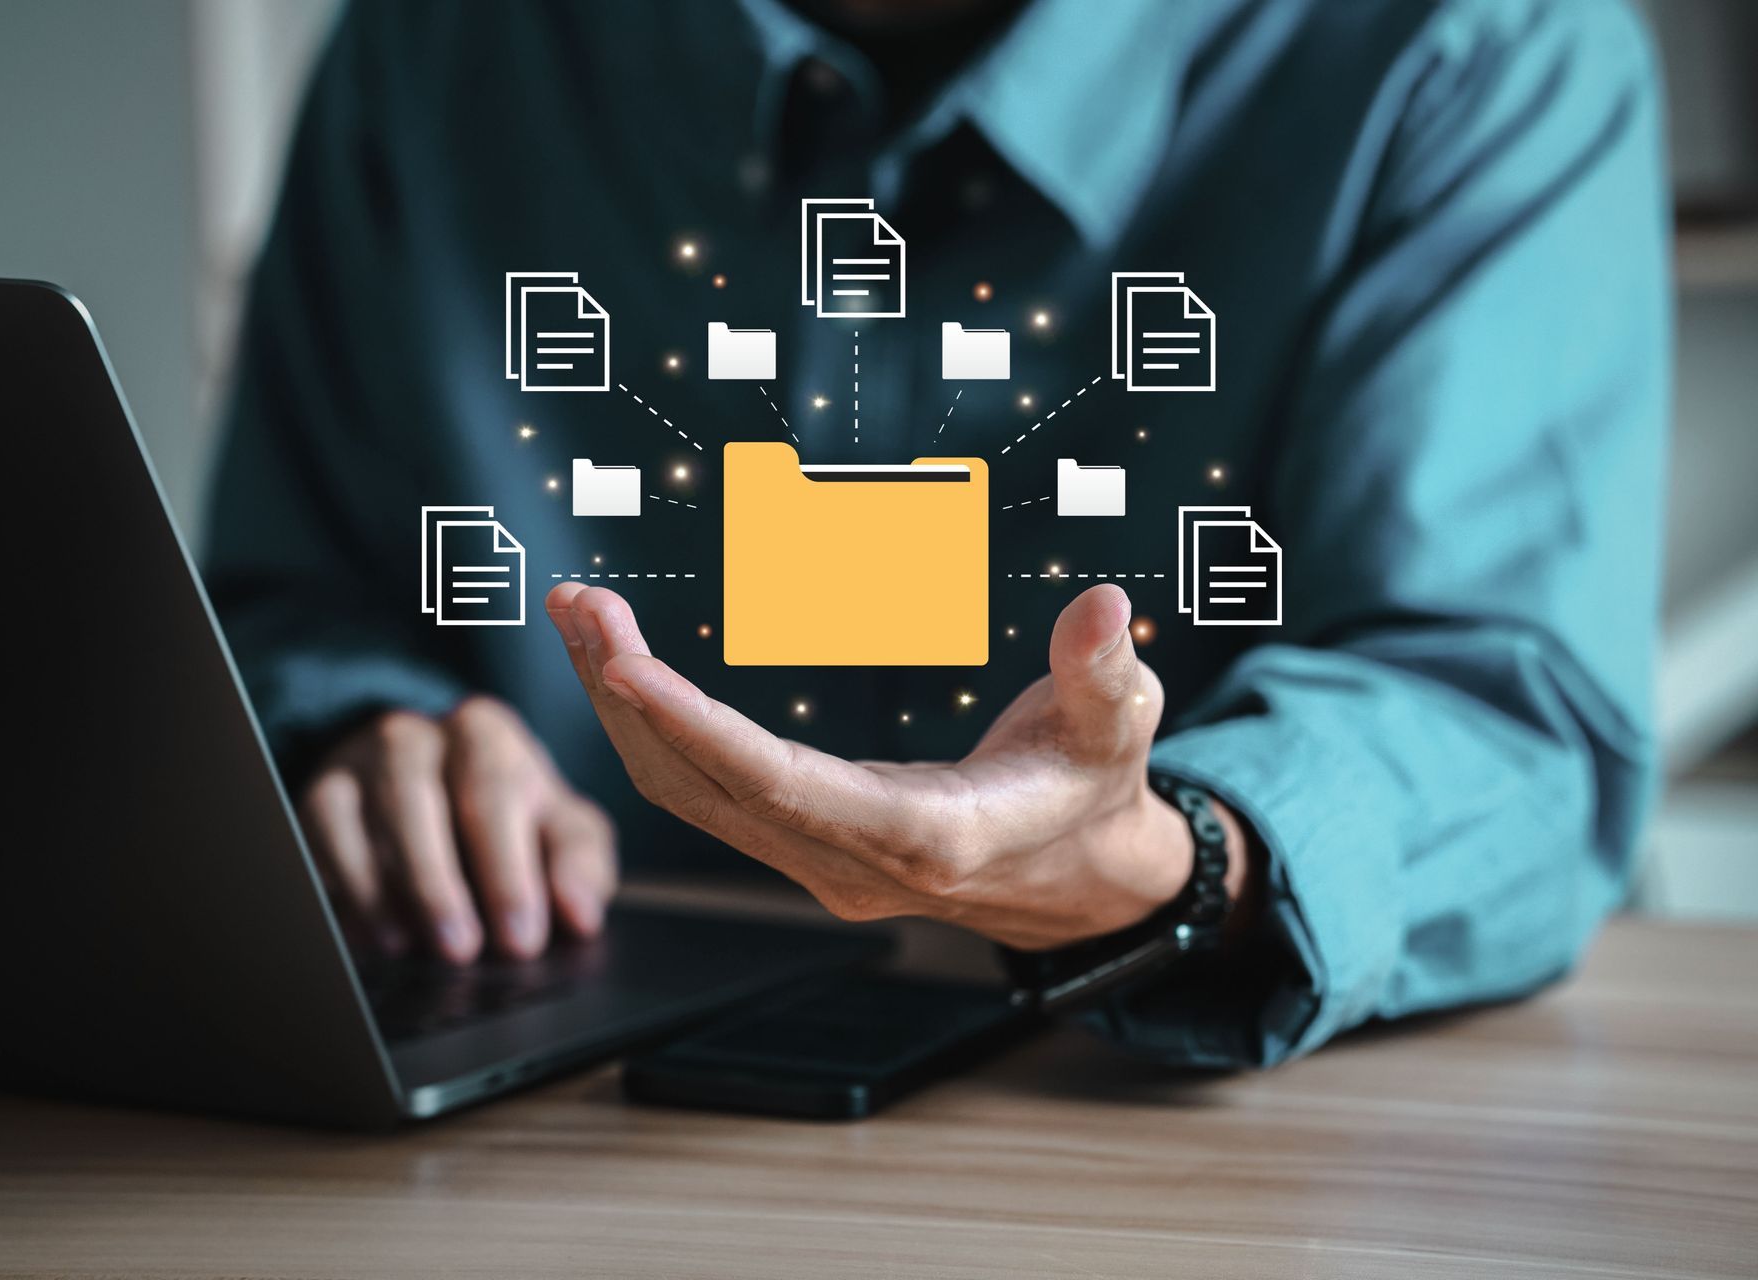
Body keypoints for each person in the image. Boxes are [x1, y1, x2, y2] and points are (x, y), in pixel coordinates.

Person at [205, 0, 1668, 1066]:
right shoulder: (434, 45)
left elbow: (1508, 727)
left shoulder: (1471, 47)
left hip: (1164, 1136)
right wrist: (363, 736)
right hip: (529, 1104)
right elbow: (284, 603)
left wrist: (1171, 858)